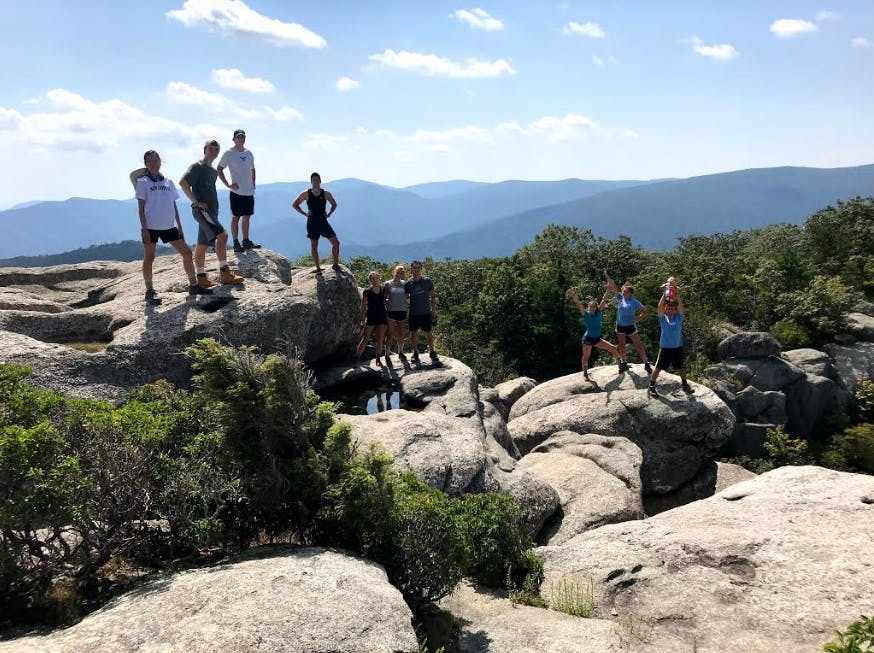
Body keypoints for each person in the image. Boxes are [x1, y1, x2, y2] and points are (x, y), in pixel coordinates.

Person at [132, 150, 211, 304]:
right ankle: (149, 291)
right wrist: (144, 229)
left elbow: (173, 205)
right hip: (151, 226)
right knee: (150, 257)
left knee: (187, 253)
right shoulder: (142, 182)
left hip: (169, 226)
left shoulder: (168, 182)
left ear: (160, 161)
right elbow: (140, 208)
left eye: (156, 160)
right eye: (150, 161)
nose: (154, 163)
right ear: (146, 164)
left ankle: (193, 285)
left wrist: (179, 226)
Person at [179, 140, 244, 288]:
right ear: (205, 150)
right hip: (202, 211)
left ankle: (201, 277)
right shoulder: (197, 167)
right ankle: (225, 273)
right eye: (211, 149)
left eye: (216, 149)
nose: (214, 151)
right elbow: (183, 182)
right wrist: (195, 201)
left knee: (202, 244)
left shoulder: (213, 171)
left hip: (211, 212)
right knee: (223, 235)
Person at [217, 129, 259, 253]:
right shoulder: (229, 153)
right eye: (238, 137)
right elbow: (219, 168)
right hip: (236, 192)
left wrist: (253, 183)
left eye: (243, 137)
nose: (241, 139)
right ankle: (235, 242)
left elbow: (252, 168)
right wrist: (227, 184)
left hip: (248, 191)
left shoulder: (249, 153)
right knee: (236, 218)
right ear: (234, 139)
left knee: (247, 217)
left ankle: (246, 241)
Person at [567, 285, 620, 381]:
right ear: (588, 307)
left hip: (597, 339)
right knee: (586, 356)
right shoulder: (586, 314)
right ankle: (585, 373)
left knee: (613, 348)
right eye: (590, 306)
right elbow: (579, 304)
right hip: (588, 339)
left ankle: (621, 364)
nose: (592, 308)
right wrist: (574, 295)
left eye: (594, 306)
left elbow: (604, 300)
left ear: (596, 307)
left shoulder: (599, 312)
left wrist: (608, 289)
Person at [648, 286, 694, 397]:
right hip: (665, 347)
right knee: (658, 367)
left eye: (672, 309)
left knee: (680, 367)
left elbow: (681, 306)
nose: (670, 311)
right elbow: (659, 306)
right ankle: (651, 386)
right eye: (668, 309)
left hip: (677, 347)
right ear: (666, 310)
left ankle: (684, 384)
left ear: (675, 310)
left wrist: (676, 293)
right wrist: (664, 294)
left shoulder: (679, 318)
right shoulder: (663, 319)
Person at [292, 172, 339, 274]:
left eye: (317, 180)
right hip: (312, 222)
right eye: (314, 180)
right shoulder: (306, 193)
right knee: (314, 246)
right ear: (311, 181)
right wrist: (305, 213)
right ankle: (318, 268)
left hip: (323, 221)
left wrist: (329, 213)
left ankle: (335, 265)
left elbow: (334, 204)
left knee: (336, 243)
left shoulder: (325, 193)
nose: (316, 182)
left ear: (320, 181)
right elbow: (295, 204)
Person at [606, 272, 652, 373]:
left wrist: (638, 318)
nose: (623, 293)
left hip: (630, 326)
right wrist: (606, 274)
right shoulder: (619, 298)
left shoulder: (634, 301)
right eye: (623, 291)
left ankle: (646, 363)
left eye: (626, 291)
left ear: (630, 293)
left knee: (638, 345)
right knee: (622, 345)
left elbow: (644, 311)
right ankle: (623, 363)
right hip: (620, 325)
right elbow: (613, 285)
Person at [404, 260, 438, 364]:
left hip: (426, 312)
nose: (416, 270)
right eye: (414, 268)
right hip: (414, 312)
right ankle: (415, 353)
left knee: (429, 333)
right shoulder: (408, 283)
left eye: (418, 268)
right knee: (414, 333)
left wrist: (433, 310)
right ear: (411, 269)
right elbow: (406, 297)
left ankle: (432, 351)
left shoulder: (427, 281)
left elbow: (433, 296)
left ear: (421, 269)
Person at [356, 271, 388, 367]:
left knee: (380, 338)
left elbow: (385, 300)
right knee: (365, 338)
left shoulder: (383, 289)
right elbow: (362, 306)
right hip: (371, 317)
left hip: (382, 316)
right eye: (372, 279)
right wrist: (362, 319)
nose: (374, 280)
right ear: (370, 280)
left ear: (379, 278)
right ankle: (357, 358)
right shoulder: (367, 291)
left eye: (376, 278)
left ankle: (378, 359)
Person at [383, 264, 408, 365]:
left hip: (402, 310)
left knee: (401, 333)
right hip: (392, 311)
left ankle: (400, 351)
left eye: (401, 273)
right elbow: (384, 298)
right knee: (389, 333)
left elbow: (407, 296)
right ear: (394, 272)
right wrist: (388, 304)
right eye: (398, 272)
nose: (399, 274)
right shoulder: (388, 284)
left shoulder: (405, 284)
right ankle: (387, 353)